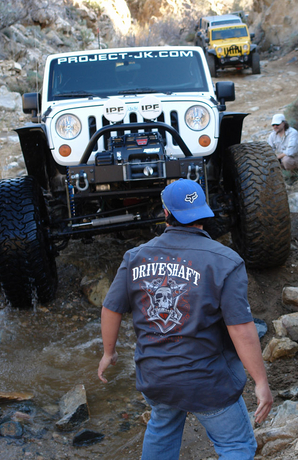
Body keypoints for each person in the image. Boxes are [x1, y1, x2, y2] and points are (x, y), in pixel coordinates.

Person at [98, 179, 272, 460]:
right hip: (206, 381)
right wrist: (260, 382)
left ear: (166, 213)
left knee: (163, 426)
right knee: (235, 446)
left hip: (155, 376)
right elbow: (240, 327)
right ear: (203, 211)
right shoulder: (226, 261)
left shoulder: (135, 257)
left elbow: (111, 308)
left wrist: (109, 352)